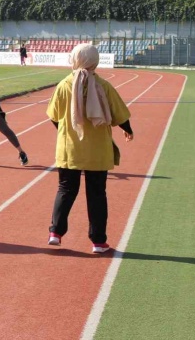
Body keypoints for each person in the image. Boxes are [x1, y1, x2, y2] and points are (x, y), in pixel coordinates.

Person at [46, 43, 134, 254]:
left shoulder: (64, 85)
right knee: (96, 194)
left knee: (66, 189)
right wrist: (128, 129)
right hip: (97, 150)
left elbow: (54, 115)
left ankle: (55, 233)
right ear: (95, 61)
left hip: (70, 149)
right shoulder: (103, 86)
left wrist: (66, 130)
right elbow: (119, 114)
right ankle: (98, 241)